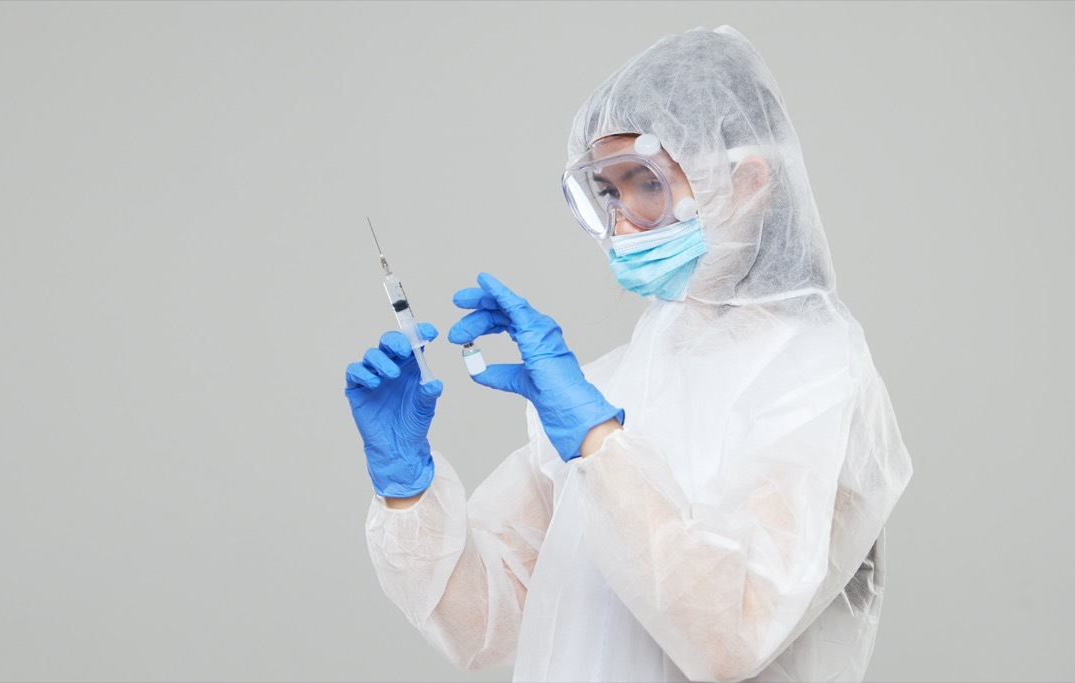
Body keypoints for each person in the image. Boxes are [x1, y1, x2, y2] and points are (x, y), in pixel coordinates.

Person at [344, 25, 912, 683]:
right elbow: (486, 625)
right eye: (607, 193)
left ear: (748, 180)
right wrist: (408, 487)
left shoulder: (816, 373)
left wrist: (601, 446)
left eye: (645, 184)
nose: (620, 224)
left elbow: (732, 633)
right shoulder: (607, 384)